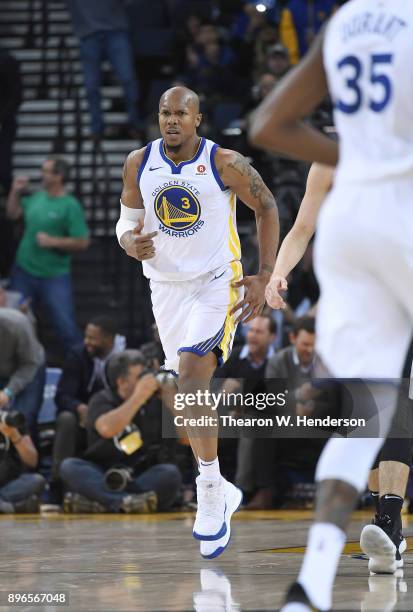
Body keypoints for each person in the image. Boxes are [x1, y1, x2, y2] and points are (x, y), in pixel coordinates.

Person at [250, 1, 413, 610]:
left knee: (366, 409)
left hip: (350, 227)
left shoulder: (344, 24)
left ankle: (311, 586)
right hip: (402, 212)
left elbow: (267, 123)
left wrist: (360, 157)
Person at [117, 85, 279, 558]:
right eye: (164, 112)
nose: (171, 120)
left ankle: (209, 487)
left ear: (198, 119)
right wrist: (128, 241)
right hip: (165, 287)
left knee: (190, 376)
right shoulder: (137, 162)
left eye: (181, 114)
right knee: (186, 392)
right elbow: (126, 222)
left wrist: (264, 273)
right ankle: (219, 486)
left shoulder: (225, 162)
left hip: (214, 281)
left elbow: (266, 206)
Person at [270, 161, 413, 575]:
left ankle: (389, 520)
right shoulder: (328, 160)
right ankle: (388, 531)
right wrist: (279, 273)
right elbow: (301, 229)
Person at [60, 350, 181, 513]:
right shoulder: (101, 399)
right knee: (69, 467)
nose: (147, 380)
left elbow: (187, 439)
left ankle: (102, 503)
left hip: (140, 475)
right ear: (122, 382)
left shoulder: (157, 401)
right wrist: (139, 396)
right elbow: (107, 429)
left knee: (170, 473)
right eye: (141, 377)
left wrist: (171, 400)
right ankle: (123, 502)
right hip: (103, 474)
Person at [6, 157, 90, 352]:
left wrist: (53, 241)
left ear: (58, 176)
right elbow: (13, 214)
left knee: (66, 327)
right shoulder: (37, 198)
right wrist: (15, 191)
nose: (41, 174)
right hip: (24, 271)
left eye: (46, 171)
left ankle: (84, 369)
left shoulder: (70, 205)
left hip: (54, 275)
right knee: (13, 322)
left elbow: (82, 241)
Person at [51, 316, 126, 488]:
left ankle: (126, 479)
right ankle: (57, 484)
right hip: (84, 421)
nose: (87, 342)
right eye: (86, 336)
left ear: (109, 339)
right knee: (66, 418)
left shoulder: (127, 357)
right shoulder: (77, 355)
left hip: (117, 419)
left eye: (92, 338)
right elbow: (62, 396)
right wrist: (78, 407)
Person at [214, 314, 277, 502]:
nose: (253, 336)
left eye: (259, 332)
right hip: (228, 415)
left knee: (251, 422)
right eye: (251, 330)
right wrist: (223, 389)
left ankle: (242, 489)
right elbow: (214, 390)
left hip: (262, 418)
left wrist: (244, 398)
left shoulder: (276, 360)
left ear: (272, 337)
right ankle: (205, 488)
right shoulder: (232, 357)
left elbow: (276, 396)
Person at [65, 0, 142, 141]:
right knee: (91, 86)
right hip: (89, 34)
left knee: (128, 79)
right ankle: (97, 128)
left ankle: (135, 124)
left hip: (116, 30)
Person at [0, 308, 45, 441]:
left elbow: (29, 364)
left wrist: (8, 392)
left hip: (30, 366)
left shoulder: (17, 324)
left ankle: (32, 460)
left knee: (23, 419)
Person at [0, 419, 46, 514]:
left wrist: (15, 436)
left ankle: (3, 506)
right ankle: (11, 508)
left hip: (7, 487)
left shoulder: (13, 420)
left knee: (37, 480)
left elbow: (32, 461)